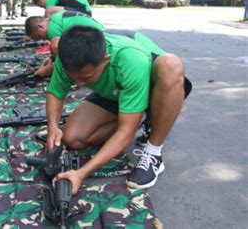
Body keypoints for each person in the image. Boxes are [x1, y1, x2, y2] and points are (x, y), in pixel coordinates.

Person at [46, 26, 192, 192]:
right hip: (116, 92)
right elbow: (55, 93)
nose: (79, 84)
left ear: (105, 60)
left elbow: (125, 132)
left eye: (87, 78)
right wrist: (53, 127)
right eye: (74, 78)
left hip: (154, 90)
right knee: (73, 138)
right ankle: (138, 118)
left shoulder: (131, 60)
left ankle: (153, 152)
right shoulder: (68, 58)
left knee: (170, 64)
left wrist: (81, 173)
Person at [24, 10, 105, 77]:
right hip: (101, 38)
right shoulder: (56, 17)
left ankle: (71, 74)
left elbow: (61, 51)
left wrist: (51, 69)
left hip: (97, 45)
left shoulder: (52, 29)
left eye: (39, 36)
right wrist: (50, 60)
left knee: (55, 44)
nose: (43, 39)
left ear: (40, 27)